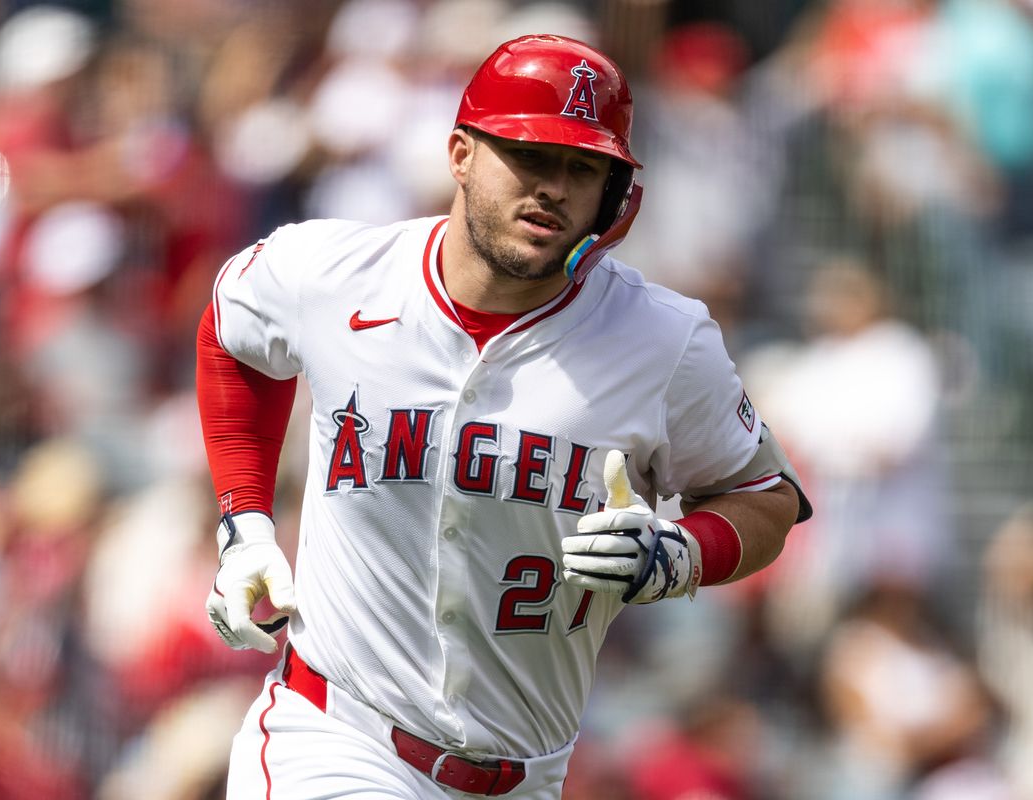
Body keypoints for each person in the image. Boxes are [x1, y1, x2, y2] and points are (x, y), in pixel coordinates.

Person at [196, 34, 810, 800]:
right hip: (336, 737)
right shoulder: (333, 274)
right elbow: (231, 330)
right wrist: (244, 522)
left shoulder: (664, 342)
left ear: (613, 194)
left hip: (528, 775)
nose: (553, 188)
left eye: (582, 168)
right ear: (459, 153)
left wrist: (681, 554)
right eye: (530, 156)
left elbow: (766, 497)